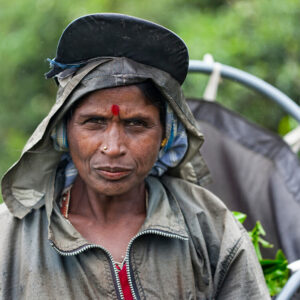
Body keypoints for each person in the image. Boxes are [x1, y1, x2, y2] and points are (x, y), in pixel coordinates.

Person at [0, 13, 270, 299]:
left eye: (137, 124)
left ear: (165, 136)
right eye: (94, 122)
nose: (114, 147)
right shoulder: (10, 238)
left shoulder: (209, 226)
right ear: (63, 132)